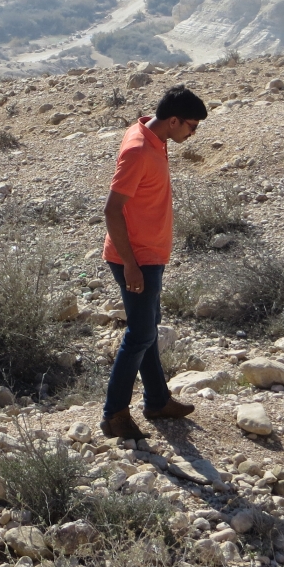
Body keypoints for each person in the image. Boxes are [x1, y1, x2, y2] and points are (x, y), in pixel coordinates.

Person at [100, 84, 208, 440]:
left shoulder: (154, 135)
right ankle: (114, 415)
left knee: (148, 327)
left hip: (150, 254)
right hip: (136, 257)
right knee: (141, 334)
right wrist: (130, 264)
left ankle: (158, 401)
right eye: (191, 126)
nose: (193, 134)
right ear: (173, 120)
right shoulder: (138, 150)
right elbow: (112, 210)